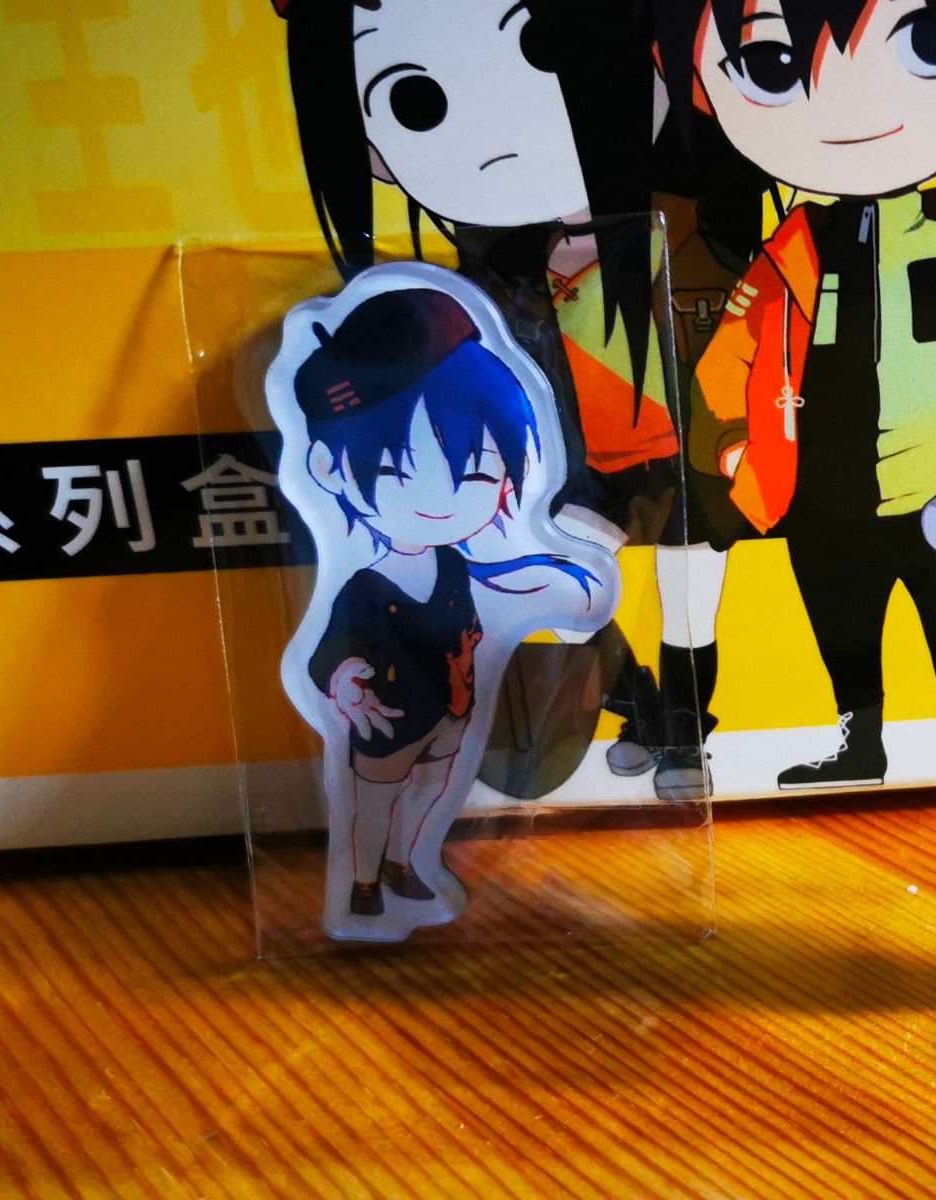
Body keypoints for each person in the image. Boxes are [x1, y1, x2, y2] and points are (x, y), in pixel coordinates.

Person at [280, 0, 712, 798]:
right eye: (413, 99)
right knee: (552, 586)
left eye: (543, 51)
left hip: (656, 460)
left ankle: (669, 720)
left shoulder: (674, 233)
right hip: (547, 473)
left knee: (655, 592)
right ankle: (639, 705)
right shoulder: (476, 279)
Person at [657, 0, 936, 787]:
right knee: (841, 623)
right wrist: (737, 446)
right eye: (778, 68)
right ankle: (859, 742)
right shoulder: (794, 250)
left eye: (929, 44)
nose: (851, 105)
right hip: (823, 494)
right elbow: (729, 359)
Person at [289, 285, 609, 938]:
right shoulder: (363, 585)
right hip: (387, 719)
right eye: (397, 473)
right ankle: (362, 882)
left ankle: (405, 862)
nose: (440, 501)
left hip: (449, 712)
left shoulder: (456, 566)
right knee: (374, 799)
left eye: (476, 475)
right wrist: (344, 683)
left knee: (431, 791)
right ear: (329, 467)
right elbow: (328, 653)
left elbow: (481, 612)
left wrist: (547, 594)